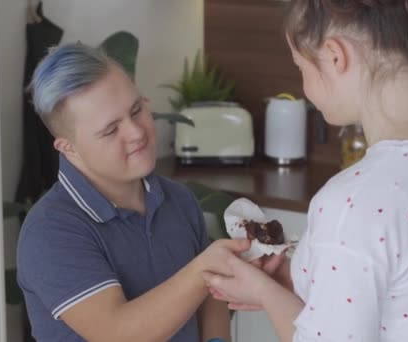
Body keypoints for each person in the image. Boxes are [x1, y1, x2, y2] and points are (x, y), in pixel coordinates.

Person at [203, 0, 408, 341]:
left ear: (335, 55)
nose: (304, 87)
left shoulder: (353, 201)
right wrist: (304, 278)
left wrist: (266, 294)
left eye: (301, 67)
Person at [16, 43, 249, 342]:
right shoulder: (50, 232)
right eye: (111, 130)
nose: (137, 132)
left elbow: (209, 296)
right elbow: (119, 333)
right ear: (68, 147)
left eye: (137, 110)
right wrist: (205, 266)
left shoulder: (179, 199)